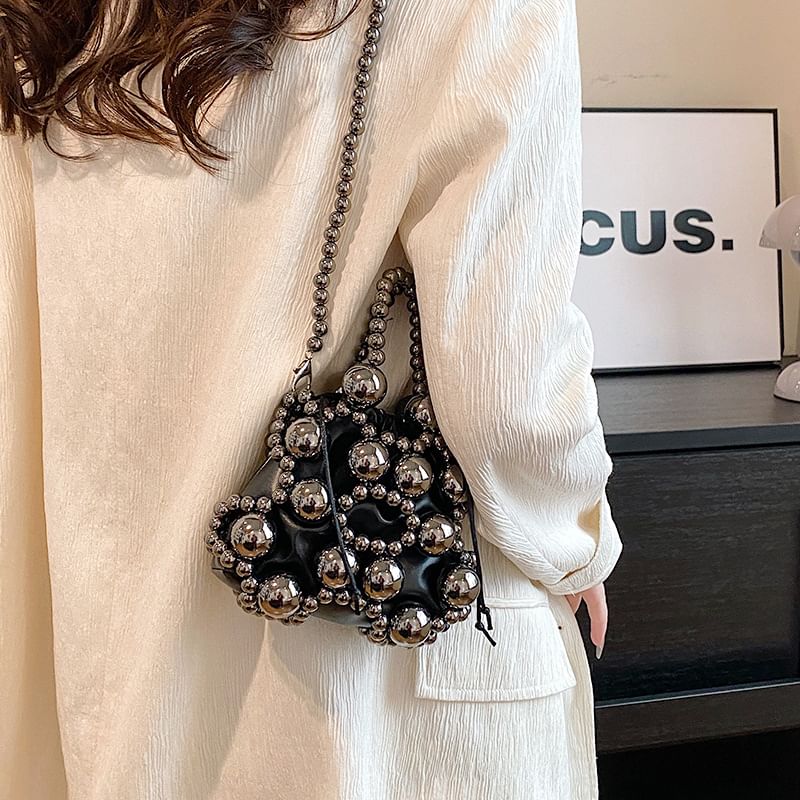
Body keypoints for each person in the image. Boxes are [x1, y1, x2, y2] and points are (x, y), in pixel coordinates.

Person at [0, 0, 623, 798]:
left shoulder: (40, 21)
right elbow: (505, 377)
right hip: (369, 693)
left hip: (97, 662)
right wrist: (572, 539)